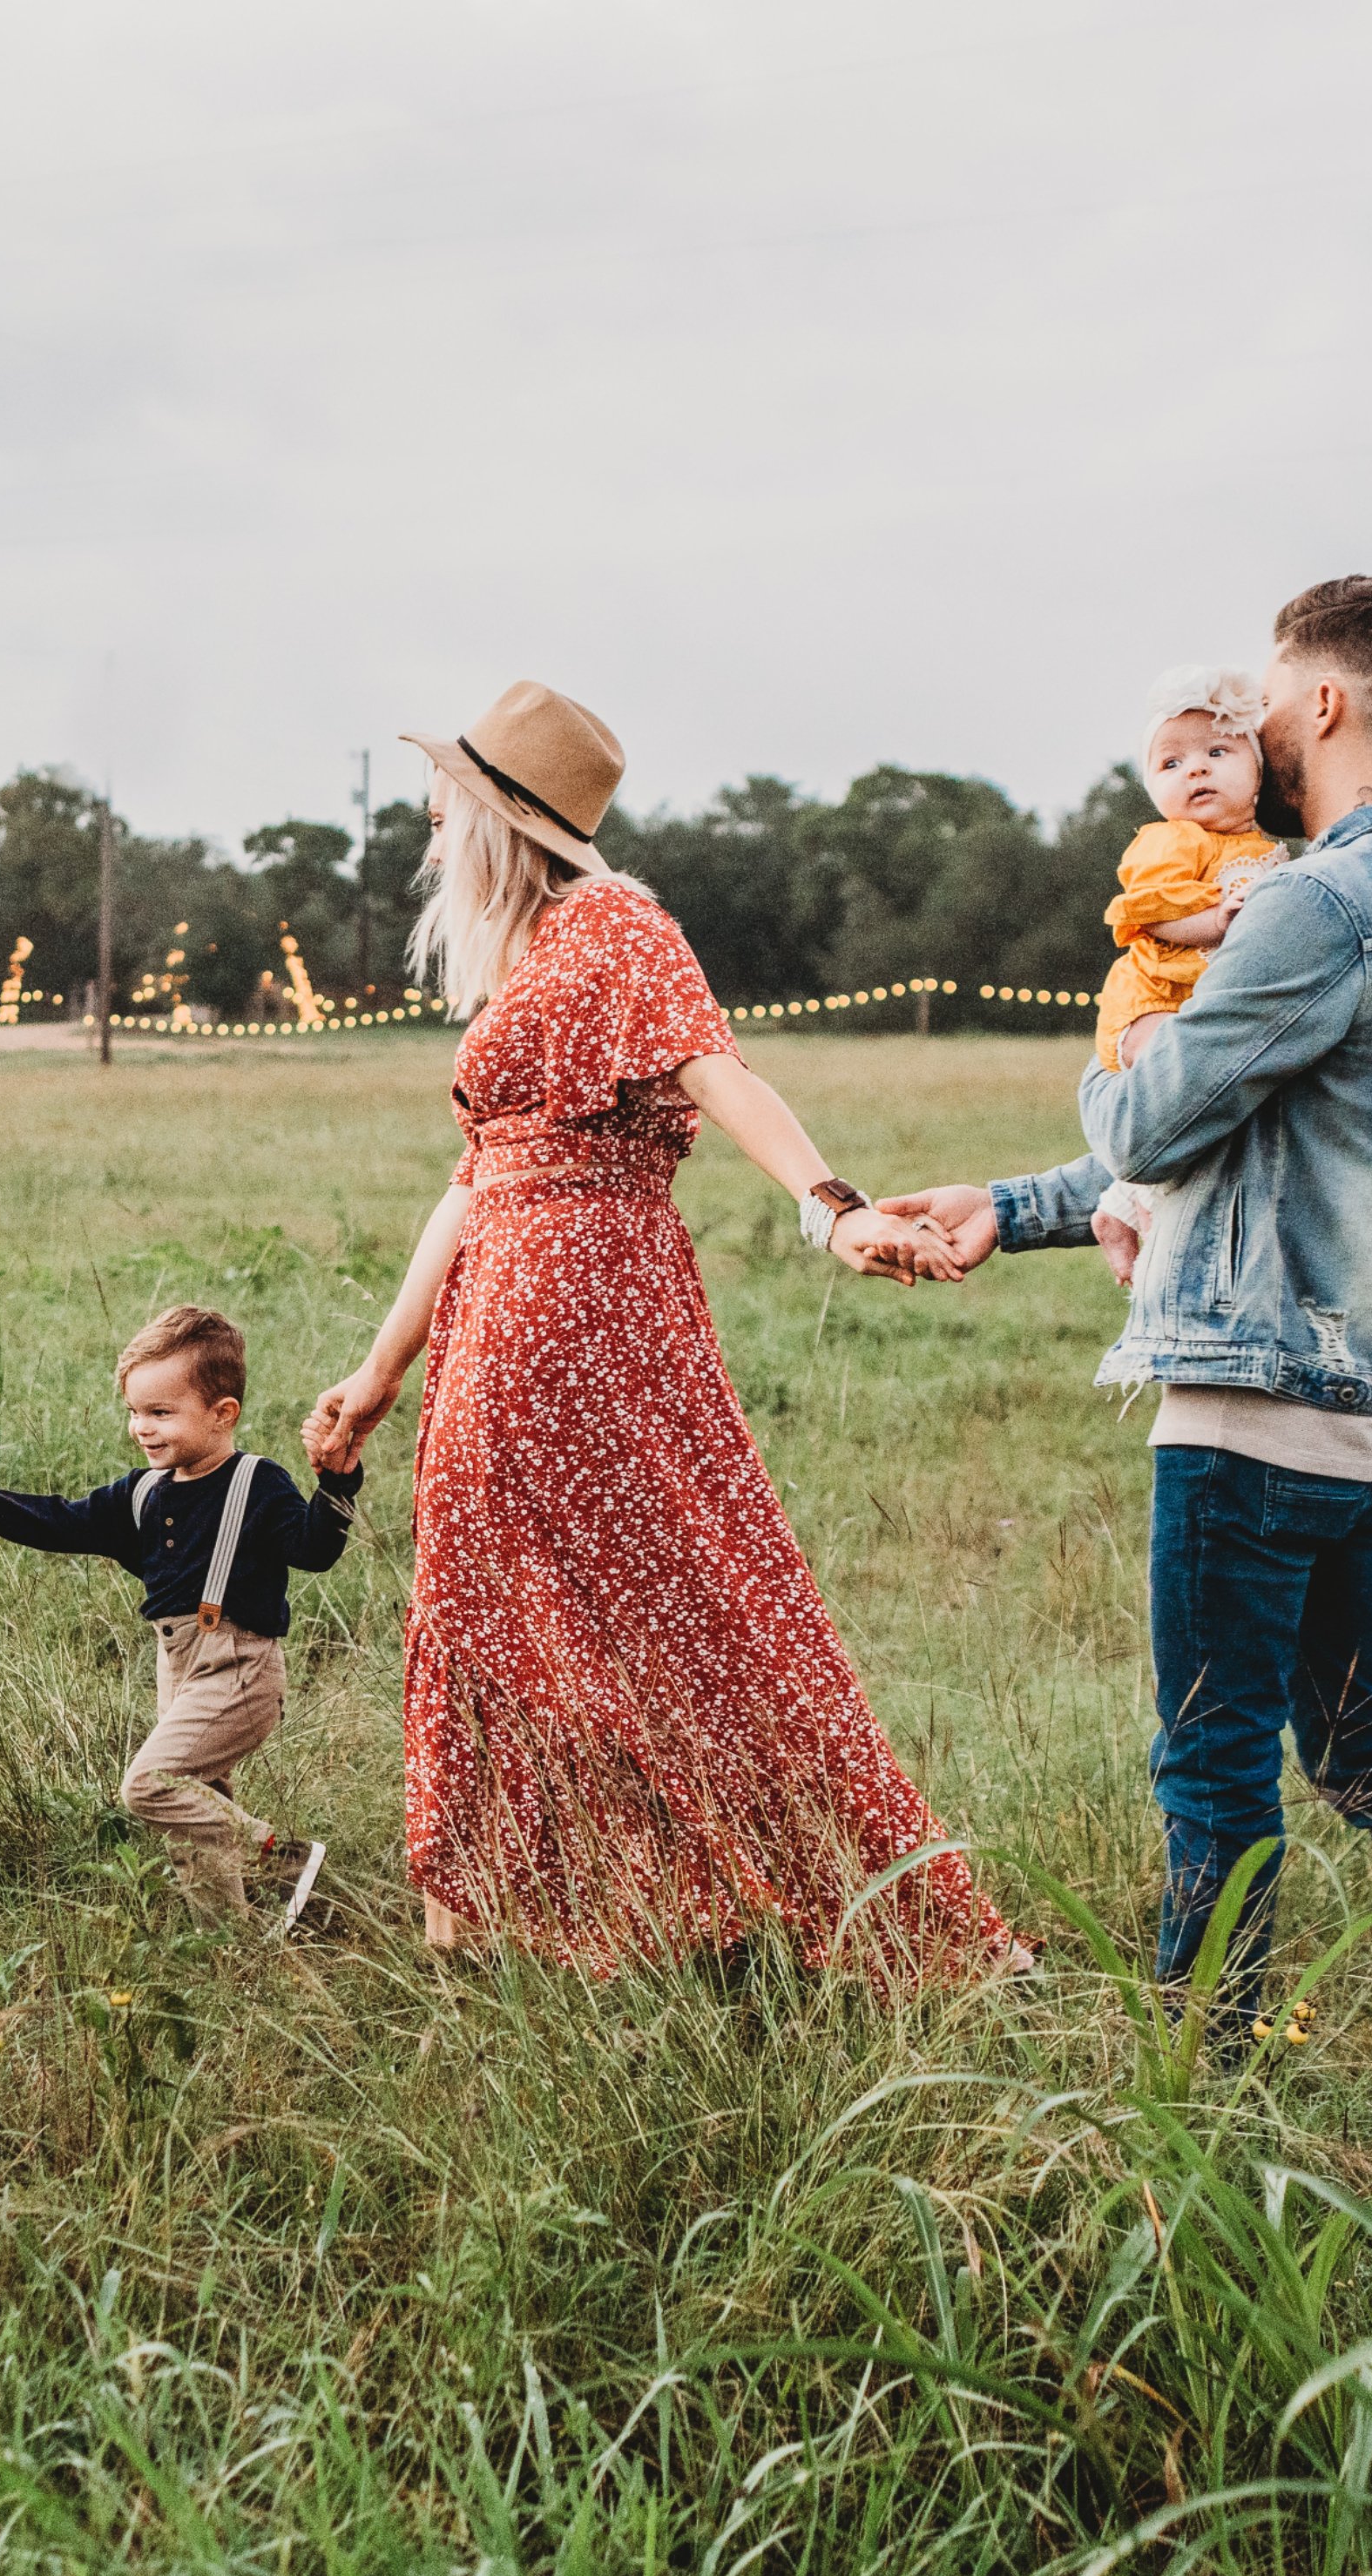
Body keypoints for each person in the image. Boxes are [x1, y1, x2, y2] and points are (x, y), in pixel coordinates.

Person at [882, 577, 1372, 2116]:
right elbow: (1254, 1139)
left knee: (1209, 1763)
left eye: (1264, 700)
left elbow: (1157, 1115)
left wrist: (1118, 1053)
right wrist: (1011, 1205)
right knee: (1361, 1736)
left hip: (1252, 1412)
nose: (1242, 730)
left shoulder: (1310, 902)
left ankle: (1193, 2086)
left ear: (1320, 706)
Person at [303, 679, 1018, 1979]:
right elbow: (472, 1184)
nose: (424, 819)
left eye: (443, 798)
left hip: (577, 1303)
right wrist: (377, 1371)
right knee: (511, 1601)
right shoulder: (528, 956)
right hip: (508, 1301)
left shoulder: (615, 925)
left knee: (678, 1600)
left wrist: (832, 1206)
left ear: (499, 816)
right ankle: (529, 1918)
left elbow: (718, 1069)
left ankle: (795, 1906)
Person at [0, 1305, 355, 1927]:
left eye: (161, 1413)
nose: (142, 1427)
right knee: (196, 1816)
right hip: (178, 1669)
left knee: (151, 1786)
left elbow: (316, 1552)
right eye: (135, 1412)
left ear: (224, 1414)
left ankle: (282, 1856)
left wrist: (336, 1484)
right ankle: (231, 1948)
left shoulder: (257, 1483)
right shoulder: (141, 1493)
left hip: (240, 1669)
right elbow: (60, 1520)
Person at [1089, 668, 1288, 1283]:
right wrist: (1215, 921)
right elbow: (1149, 914)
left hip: (1199, 1003)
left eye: (1217, 752)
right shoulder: (1172, 842)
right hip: (1151, 999)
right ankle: (1134, 1209)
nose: (1195, 771)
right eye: (1170, 764)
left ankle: (1123, 1204)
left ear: (1258, 773)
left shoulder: (1266, 848)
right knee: (1171, 1085)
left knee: (1207, 1104)